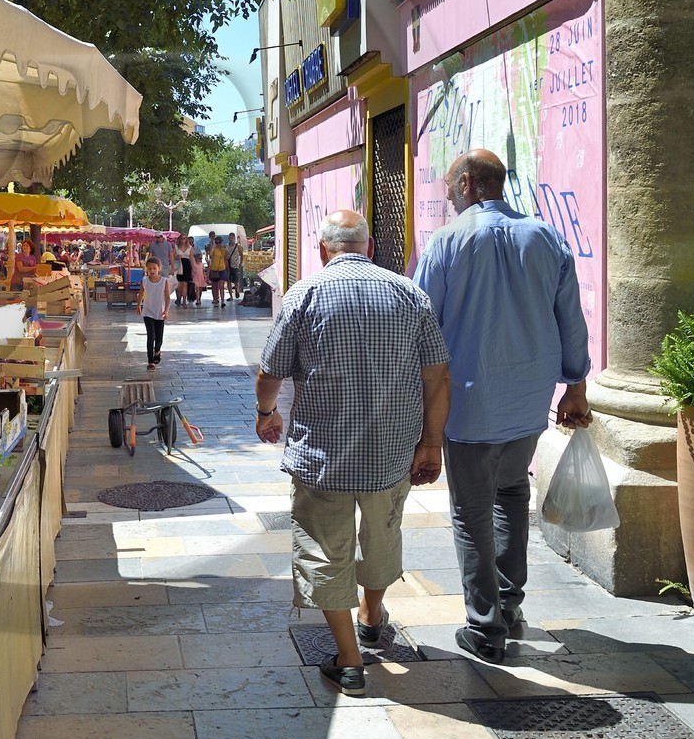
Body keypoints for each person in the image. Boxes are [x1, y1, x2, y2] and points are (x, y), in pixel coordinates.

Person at [256, 210, 451, 697]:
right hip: (392, 453)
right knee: (383, 534)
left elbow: (270, 373)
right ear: (368, 247)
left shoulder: (304, 294)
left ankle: (348, 660)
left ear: (323, 250)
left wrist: (267, 413)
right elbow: (438, 377)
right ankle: (371, 612)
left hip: (324, 457)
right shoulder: (409, 294)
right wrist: (431, 443)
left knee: (324, 550)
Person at [412, 148, 593, 663]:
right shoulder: (544, 236)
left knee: (472, 513)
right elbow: (570, 318)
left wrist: (414, 405)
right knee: (512, 493)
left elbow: (422, 326)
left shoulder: (448, 242)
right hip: (527, 401)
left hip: (468, 404)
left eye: (450, 191)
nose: (449, 201)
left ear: (467, 184)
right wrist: (575, 385)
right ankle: (510, 606)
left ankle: (485, 624)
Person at [135, 256, 174, 370]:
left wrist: (166, 311)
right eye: (149, 269)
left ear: (158, 269)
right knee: (150, 335)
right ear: (146, 269)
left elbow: (167, 297)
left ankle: (157, 350)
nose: (152, 271)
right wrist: (139, 305)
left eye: (154, 268)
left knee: (159, 338)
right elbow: (141, 294)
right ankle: (150, 361)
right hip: (148, 312)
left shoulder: (164, 281)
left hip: (160, 312)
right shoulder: (144, 281)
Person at [208, 234, 229, 307]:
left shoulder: (224, 250)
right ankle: (215, 299)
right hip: (214, 269)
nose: (218, 244)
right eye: (216, 242)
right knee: (214, 286)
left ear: (222, 242)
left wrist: (227, 269)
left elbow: (225, 260)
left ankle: (222, 301)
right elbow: (210, 255)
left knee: (221, 286)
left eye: (219, 242)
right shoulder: (214, 249)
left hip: (222, 269)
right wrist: (213, 246)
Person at [228, 236, 245, 301]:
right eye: (230, 238)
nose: (231, 240)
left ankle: (236, 290)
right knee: (228, 281)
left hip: (235, 265)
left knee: (236, 280)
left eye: (232, 238)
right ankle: (231, 296)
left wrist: (240, 263)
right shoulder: (226, 247)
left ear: (234, 239)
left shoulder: (238, 247)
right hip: (228, 265)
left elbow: (241, 255)